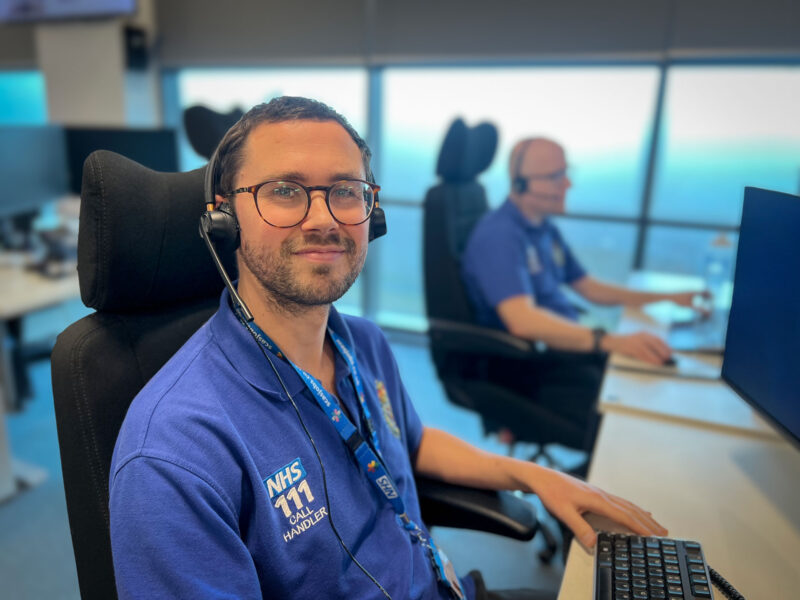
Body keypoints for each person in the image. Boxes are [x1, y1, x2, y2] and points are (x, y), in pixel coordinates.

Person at [109, 98, 667, 600]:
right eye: (284, 190)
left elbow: (412, 442)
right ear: (224, 216)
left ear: (370, 213)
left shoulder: (364, 343)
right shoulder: (174, 450)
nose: (323, 218)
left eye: (345, 191)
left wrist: (532, 476)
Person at [462, 137, 707, 367]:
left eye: (566, 173)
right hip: (533, 363)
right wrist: (609, 341)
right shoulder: (499, 236)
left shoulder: (544, 228)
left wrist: (664, 297)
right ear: (521, 185)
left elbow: (588, 287)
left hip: (565, 346)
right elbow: (522, 321)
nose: (568, 184)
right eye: (556, 177)